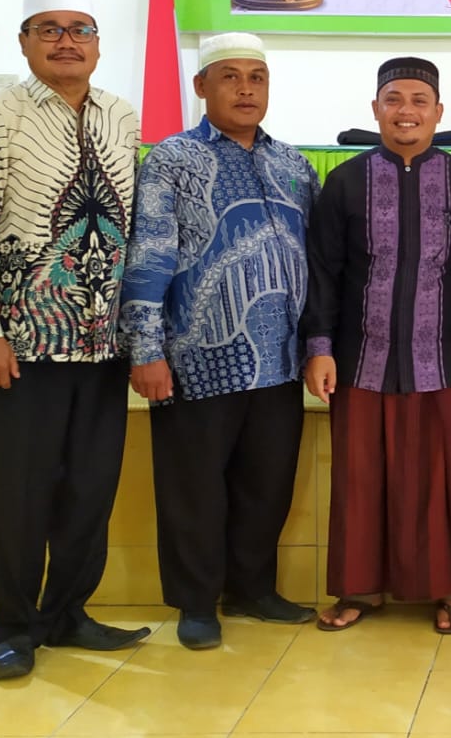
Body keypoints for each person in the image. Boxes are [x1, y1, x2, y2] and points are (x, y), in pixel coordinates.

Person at [0, 0, 149, 681]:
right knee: (20, 494)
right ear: (24, 43)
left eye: (80, 28)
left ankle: (67, 615)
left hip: (104, 343)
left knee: (89, 491)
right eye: (49, 29)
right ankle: (13, 630)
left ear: (98, 44)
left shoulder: (122, 116)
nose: (67, 41)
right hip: (23, 343)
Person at [118, 32, 320, 650]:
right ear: (202, 86)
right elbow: (150, 256)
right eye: (230, 77)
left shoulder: (294, 164)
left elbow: (317, 261)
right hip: (195, 358)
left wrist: (317, 346)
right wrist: (146, 350)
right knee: (194, 489)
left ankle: (252, 589)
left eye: (256, 77)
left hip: (279, 362)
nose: (245, 89)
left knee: (267, 484)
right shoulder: (172, 160)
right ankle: (197, 602)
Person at [302, 57, 451, 634]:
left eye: (419, 100)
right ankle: (359, 589)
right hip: (362, 356)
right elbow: (324, 270)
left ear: (439, 112)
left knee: (446, 477)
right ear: (376, 109)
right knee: (361, 477)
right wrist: (320, 346)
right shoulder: (346, 181)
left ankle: (448, 590)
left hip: (446, 355)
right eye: (394, 99)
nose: (406, 111)